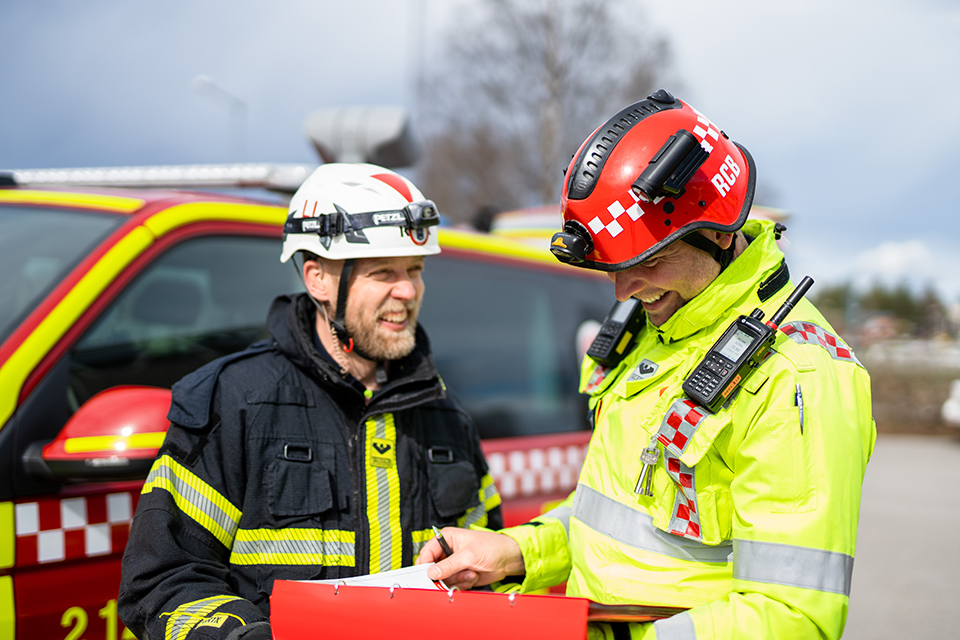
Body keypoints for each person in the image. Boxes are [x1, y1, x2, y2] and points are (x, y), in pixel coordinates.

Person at [418, 90, 875, 640]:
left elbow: (792, 616)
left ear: (720, 233)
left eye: (649, 260)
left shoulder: (795, 378)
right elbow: (618, 519)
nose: (625, 289)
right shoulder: (655, 328)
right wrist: (517, 550)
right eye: (614, 266)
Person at [118, 163, 502, 640]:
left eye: (415, 270)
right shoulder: (235, 401)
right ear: (319, 279)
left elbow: (484, 581)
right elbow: (162, 580)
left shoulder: (445, 415)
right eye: (384, 272)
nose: (408, 290)